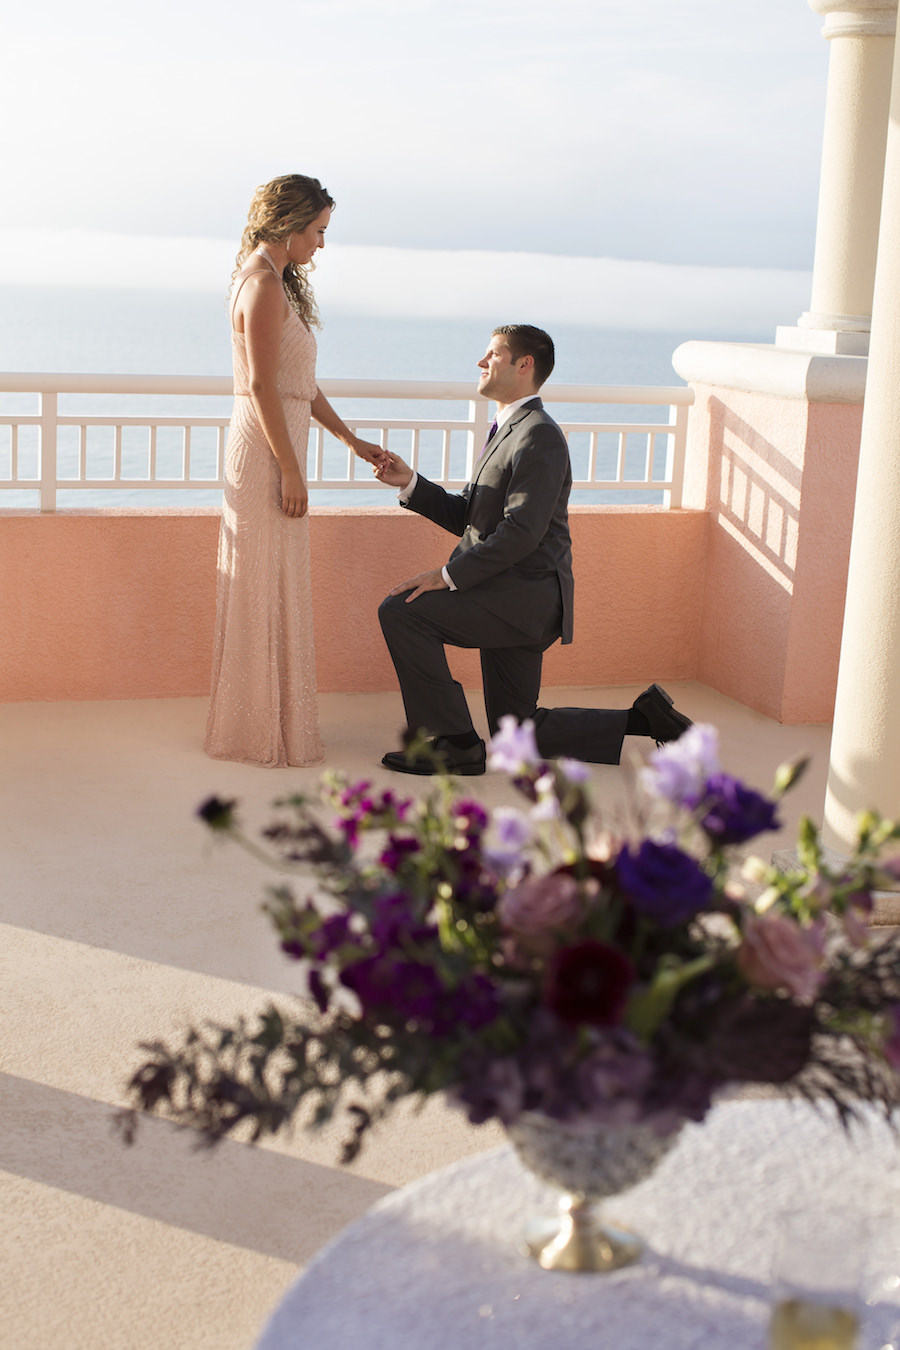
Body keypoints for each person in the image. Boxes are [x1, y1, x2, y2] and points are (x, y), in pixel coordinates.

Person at [374, 324, 692, 776]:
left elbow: (522, 532)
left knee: (401, 611)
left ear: (525, 365)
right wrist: (409, 482)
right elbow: (470, 514)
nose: (481, 362)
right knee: (517, 733)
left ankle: (455, 743)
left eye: (493, 354)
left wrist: (445, 578)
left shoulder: (539, 434)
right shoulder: (508, 428)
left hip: (522, 599)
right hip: (508, 593)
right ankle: (644, 719)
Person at [204, 174, 383, 768]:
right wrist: (290, 471)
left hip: (277, 449)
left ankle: (271, 722)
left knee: (276, 580)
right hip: (263, 457)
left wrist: (349, 439)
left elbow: (298, 386)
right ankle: (253, 731)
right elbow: (259, 385)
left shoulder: (275, 281)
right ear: (289, 223)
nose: (322, 245)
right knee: (261, 584)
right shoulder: (259, 284)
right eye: (318, 231)